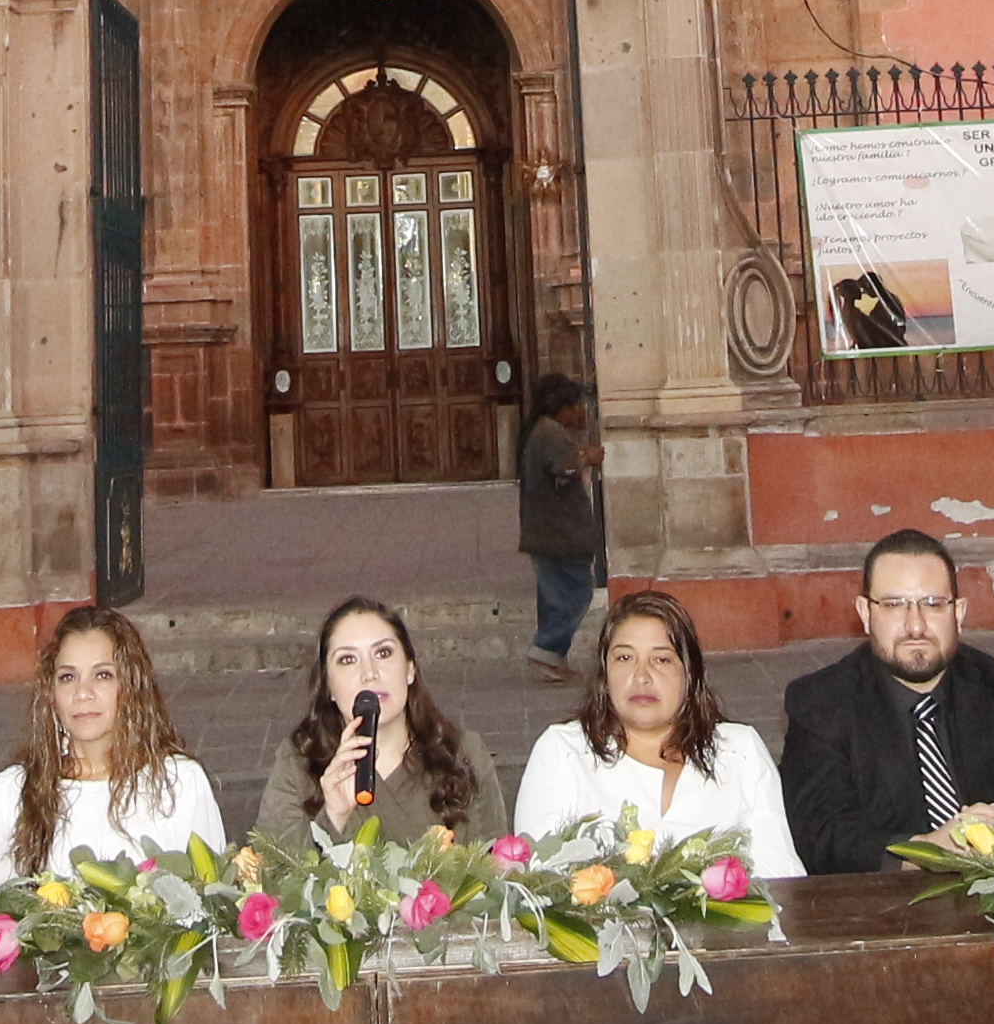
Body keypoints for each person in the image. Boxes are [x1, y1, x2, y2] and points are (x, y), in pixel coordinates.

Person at [777, 528, 994, 868]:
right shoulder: (820, 704)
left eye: (933, 604)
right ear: (866, 614)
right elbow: (817, 831)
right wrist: (925, 850)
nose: (915, 626)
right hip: (885, 908)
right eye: (894, 605)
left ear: (959, 612)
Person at [512, 588, 804, 873]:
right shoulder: (563, 753)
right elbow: (537, 883)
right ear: (605, 672)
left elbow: (781, 876)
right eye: (625, 658)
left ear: (689, 674)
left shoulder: (740, 752)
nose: (641, 677)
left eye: (661, 659)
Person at [0, 604, 223, 896]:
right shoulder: (10, 796)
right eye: (68, 677)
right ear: (52, 694)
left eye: (102, 675)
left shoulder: (180, 785)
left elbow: (214, 909)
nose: (83, 693)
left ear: (131, 687)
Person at [263, 595, 486, 846]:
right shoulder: (297, 763)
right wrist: (334, 817)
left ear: (410, 668)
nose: (369, 673)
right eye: (348, 659)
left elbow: (497, 870)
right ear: (328, 686)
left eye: (383, 653)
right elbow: (276, 874)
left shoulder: (464, 752)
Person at [518, 373, 606, 685]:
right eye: (575, 406)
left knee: (552, 597)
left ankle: (556, 658)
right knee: (577, 593)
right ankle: (546, 648)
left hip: (547, 532)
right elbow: (563, 469)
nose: (580, 412)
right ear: (560, 406)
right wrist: (587, 457)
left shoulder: (542, 432)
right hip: (559, 533)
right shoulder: (551, 434)